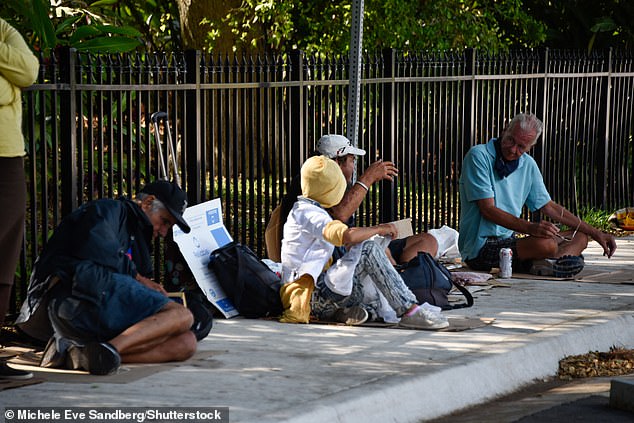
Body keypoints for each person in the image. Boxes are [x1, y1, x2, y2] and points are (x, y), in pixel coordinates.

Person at [16, 180, 198, 375]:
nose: (164, 232)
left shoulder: (140, 238)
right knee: (181, 315)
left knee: (186, 343)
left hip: (102, 307)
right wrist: (138, 278)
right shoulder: (110, 209)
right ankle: (112, 348)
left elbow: (140, 288)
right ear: (147, 203)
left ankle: (81, 355)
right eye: (164, 221)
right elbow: (96, 247)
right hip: (76, 297)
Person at [279, 155, 448, 330]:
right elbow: (347, 236)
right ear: (329, 189)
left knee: (363, 263)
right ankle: (409, 310)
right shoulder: (308, 213)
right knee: (368, 249)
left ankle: (346, 311)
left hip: (321, 294)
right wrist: (380, 229)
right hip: (312, 298)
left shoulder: (307, 209)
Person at [458, 113, 617, 277]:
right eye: (511, 140)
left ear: (529, 147)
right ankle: (554, 261)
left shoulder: (528, 164)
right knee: (546, 244)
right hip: (481, 247)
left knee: (581, 236)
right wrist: (531, 228)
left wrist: (595, 232)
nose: (513, 150)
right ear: (505, 130)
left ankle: (548, 263)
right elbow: (488, 210)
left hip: (510, 242)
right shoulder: (479, 155)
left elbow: (549, 207)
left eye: (521, 146)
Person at [274, 134, 440, 265]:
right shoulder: (311, 182)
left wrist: (379, 231)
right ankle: (402, 280)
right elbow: (341, 217)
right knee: (374, 250)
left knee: (427, 241)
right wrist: (367, 179)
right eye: (352, 160)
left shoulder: (336, 181)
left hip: (347, 244)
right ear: (338, 161)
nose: (354, 167)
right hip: (334, 257)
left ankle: (405, 273)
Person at [0, 17, 39, 380]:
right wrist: (6, 90)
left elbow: (27, 72)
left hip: (9, 155)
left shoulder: (4, 29)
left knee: (5, 251)